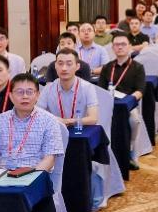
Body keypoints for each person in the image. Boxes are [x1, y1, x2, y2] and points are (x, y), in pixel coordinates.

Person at [0, 73, 65, 172]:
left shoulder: (49, 121)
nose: (25, 96)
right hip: (2, 175)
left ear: (37, 95)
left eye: (29, 92)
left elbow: (49, 159)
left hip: (35, 175)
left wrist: (31, 178)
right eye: (19, 92)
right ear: (11, 96)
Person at [99, 32, 146, 166]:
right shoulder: (107, 67)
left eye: (123, 44)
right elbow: (101, 90)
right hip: (108, 105)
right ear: (112, 48)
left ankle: (131, 151)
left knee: (135, 120)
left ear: (130, 46)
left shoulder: (138, 67)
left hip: (128, 106)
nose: (120, 47)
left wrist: (129, 101)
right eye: (116, 45)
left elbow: (140, 90)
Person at [37, 49, 99, 129]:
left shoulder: (88, 87)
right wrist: (56, 120)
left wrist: (68, 121)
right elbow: (38, 114)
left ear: (77, 66)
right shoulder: (48, 88)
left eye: (69, 64)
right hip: (55, 131)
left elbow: (93, 118)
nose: (64, 68)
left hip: (79, 130)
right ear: (55, 66)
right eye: (60, 64)